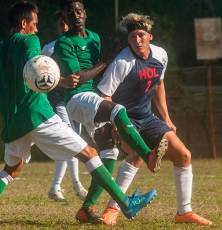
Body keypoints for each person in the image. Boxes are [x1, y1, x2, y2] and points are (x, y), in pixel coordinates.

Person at [0, 2, 158, 229]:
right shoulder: (30, 41)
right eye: (34, 24)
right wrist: (62, 81)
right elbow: (39, 68)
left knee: (10, 170)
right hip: (38, 115)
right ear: (24, 24)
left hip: (13, 123)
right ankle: (125, 203)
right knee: (90, 153)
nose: (37, 29)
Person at [53, 0, 168, 224]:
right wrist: (106, 60)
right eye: (70, 13)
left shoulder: (94, 37)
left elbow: (102, 74)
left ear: (85, 13)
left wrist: (108, 61)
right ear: (64, 19)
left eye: (79, 10)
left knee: (108, 154)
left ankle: (86, 209)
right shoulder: (63, 43)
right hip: (78, 100)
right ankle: (148, 155)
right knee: (118, 110)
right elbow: (78, 79)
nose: (75, 15)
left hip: (94, 99)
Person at [95, 13, 213, 226]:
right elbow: (105, 95)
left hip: (147, 117)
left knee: (184, 155)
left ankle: (184, 212)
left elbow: (159, 84)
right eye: (132, 37)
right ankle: (112, 209)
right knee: (136, 157)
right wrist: (113, 124)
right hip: (124, 119)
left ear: (150, 36)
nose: (137, 40)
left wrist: (166, 117)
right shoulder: (122, 62)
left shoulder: (160, 55)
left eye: (141, 35)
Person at [42, 11, 88, 202]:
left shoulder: (79, 44)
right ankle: (77, 185)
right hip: (57, 99)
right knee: (72, 140)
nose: (64, 27)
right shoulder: (49, 48)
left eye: (66, 23)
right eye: (61, 24)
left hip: (75, 98)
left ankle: (55, 186)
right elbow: (43, 76)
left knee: (70, 142)